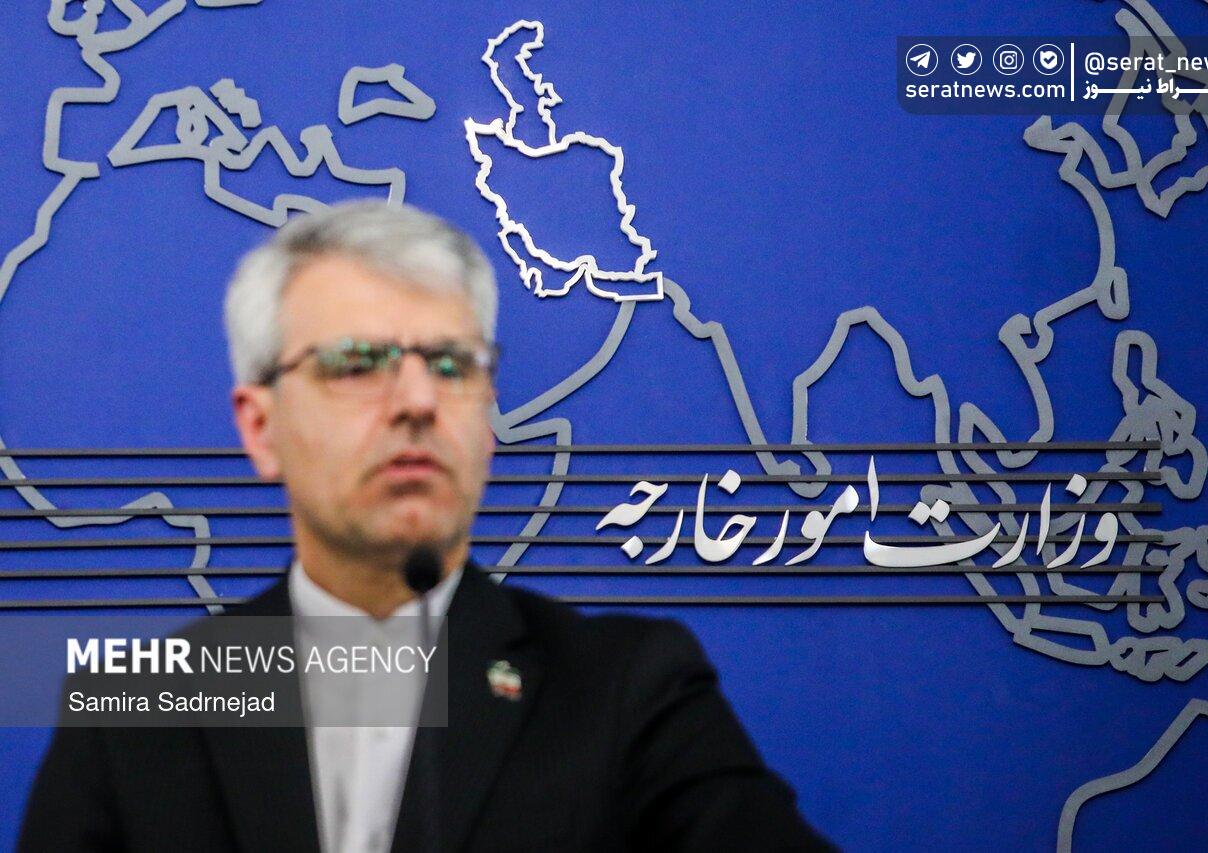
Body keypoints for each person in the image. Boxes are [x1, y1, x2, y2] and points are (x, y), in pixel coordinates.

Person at [18, 200, 834, 852]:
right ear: (261, 427)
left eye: (451, 365)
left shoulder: (625, 690)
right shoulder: (138, 708)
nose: (416, 401)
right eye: (356, 363)